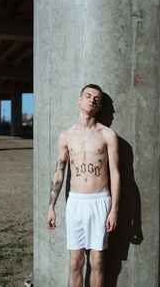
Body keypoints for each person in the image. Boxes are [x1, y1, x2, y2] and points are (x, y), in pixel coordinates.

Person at [46, 84, 120, 287]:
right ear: (79, 100)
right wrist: (51, 206)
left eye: (96, 99)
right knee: (75, 263)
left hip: (100, 201)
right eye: (88, 96)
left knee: (97, 262)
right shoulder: (66, 136)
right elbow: (59, 171)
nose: (92, 100)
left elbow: (115, 173)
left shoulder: (107, 135)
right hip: (76, 201)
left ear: (99, 106)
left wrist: (114, 210)